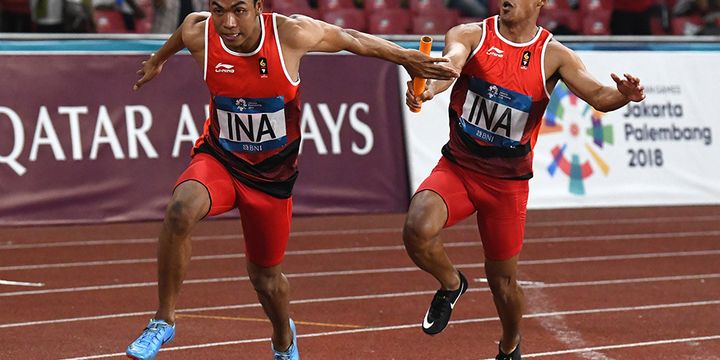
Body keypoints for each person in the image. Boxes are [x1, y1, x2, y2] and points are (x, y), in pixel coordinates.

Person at [124, 0, 458, 359]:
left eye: (238, 10)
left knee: (266, 281)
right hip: (220, 160)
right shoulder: (198, 30)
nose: (228, 22)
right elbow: (179, 37)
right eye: (219, 11)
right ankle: (163, 321)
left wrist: (405, 57)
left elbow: (350, 38)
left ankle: (283, 337)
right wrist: (158, 59)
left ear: (258, 7)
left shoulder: (290, 34)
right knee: (180, 210)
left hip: (271, 180)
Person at [402, 0, 645, 359]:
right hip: (459, 168)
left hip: (506, 187)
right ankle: (452, 283)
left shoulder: (554, 56)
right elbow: (450, 65)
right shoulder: (470, 35)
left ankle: (510, 344)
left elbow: (598, 96)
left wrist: (625, 96)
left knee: (503, 282)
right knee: (417, 229)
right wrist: (429, 89)